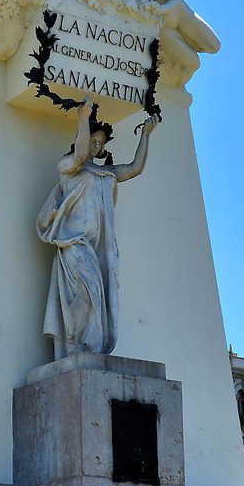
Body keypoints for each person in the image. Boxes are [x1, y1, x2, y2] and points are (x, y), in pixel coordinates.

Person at [37, 102, 159, 359]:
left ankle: (88, 348)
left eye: (101, 142)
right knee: (86, 292)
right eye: (94, 140)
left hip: (97, 248)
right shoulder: (69, 167)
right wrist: (83, 118)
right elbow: (80, 155)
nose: (97, 146)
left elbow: (135, 169)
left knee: (98, 296)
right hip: (74, 243)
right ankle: (77, 347)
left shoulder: (105, 173)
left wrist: (146, 135)